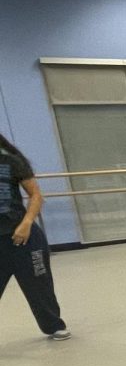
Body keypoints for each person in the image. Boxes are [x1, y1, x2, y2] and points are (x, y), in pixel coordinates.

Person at [0, 133, 70, 341]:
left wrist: (27, 223)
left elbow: (36, 195)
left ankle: (53, 325)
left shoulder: (11, 161)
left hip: (23, 238)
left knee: (39, 286)